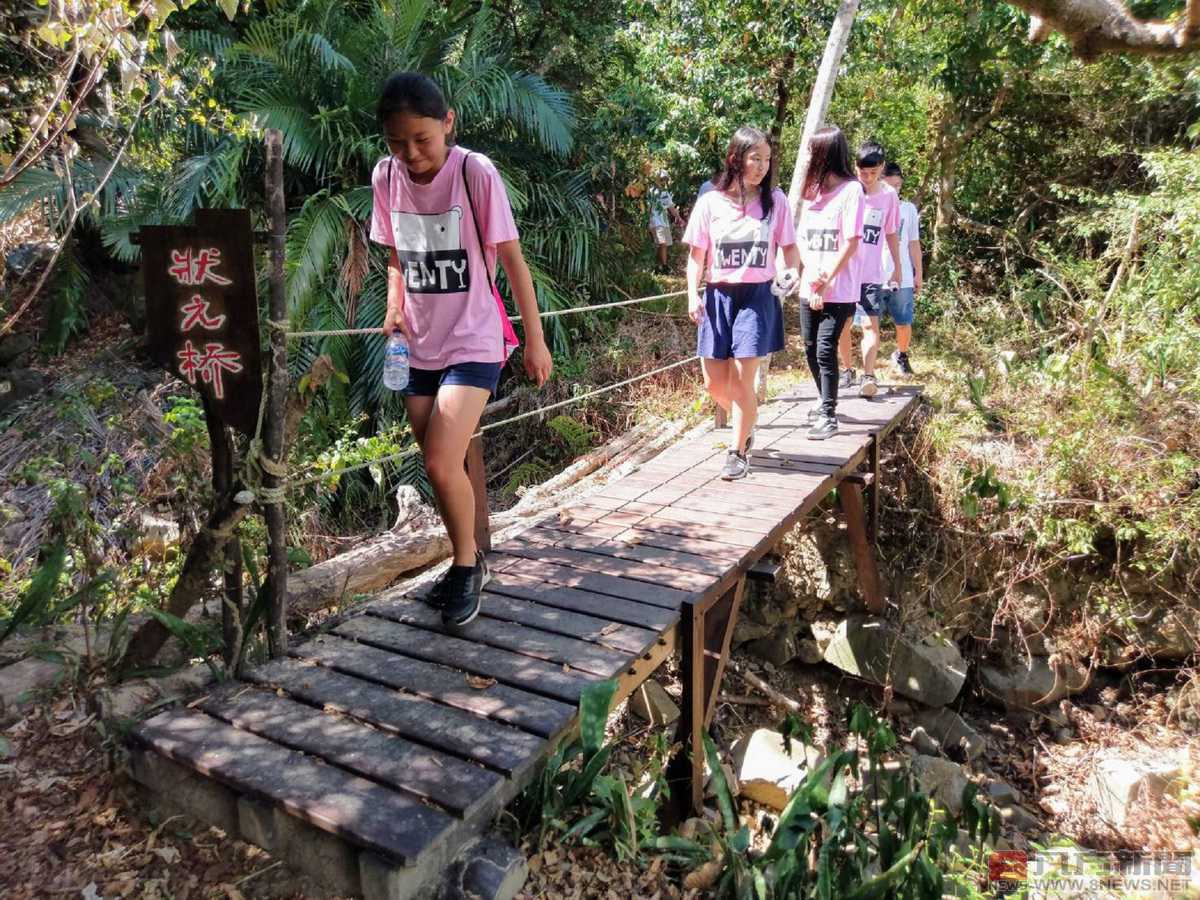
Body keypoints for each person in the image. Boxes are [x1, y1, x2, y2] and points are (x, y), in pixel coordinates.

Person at [370, 71, 552, 627]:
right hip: (418, 342)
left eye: (422, 139)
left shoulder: (474, 172)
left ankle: (468, 565)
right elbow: (397, 254)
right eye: (397, 142)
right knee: (440, 466)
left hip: (474, 336)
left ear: (447, 123)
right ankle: (464, 563)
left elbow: (513, 260)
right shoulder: (386, 177)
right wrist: (394, 305)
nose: (411, 153)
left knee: (439, 459)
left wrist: (536, 339)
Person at [683, 126, 800, 480]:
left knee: (742, 378)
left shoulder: (775, 201)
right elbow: (696, 255)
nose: (762, 166)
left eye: (766, 160)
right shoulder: (710, 202)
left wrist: (791, 273)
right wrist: (692, 293)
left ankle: (737, 451)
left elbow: (790, 249)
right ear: (736, 159)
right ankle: (747, 418)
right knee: (715, 384)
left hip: (757, 296)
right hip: (718, 295)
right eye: (755, 158)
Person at [795, 126, 865, 440]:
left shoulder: (852, 190)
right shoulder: (812, 191)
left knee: (825, 349)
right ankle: (824, 399)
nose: (810, 157)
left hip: (839, 287)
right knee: (810, 348)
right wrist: (809, 275)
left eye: (814, 150)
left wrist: (827, 279)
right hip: (810, 284)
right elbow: (801, 238)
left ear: (827, 153)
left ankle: (828, 414)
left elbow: (851, 241)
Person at [837, 142, 900, 398]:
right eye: (863, 172)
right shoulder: (847, 192)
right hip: (844, 272)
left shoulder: (888, 196)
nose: (868, 178)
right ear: (856, 168)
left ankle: (869, 374)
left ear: (882, 168)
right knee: (843, 325)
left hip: (871, 274)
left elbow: (891, 233)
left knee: (870, 326)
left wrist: (897, 267)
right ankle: (848, 369)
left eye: (873, 173)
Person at [880, 161, 923, 375]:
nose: (894, 191)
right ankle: (865, 366)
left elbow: (913, 243)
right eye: (889, 186)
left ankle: (902, 355)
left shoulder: (908, 210)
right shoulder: (870, 205)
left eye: (898, 186)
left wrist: (918, 274)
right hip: (875, 275)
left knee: (904, 322)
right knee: (867, 325)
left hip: (903, 275)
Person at [648, 171, 685, 274]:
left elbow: (671, 208)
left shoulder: (665, 193)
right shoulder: (651, 191)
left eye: (665, 179)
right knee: (661, 243)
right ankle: (660, 266)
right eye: (661, 179)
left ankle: (662, 267)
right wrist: (647, 221)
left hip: (664, 222)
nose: (663, 181)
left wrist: (679, 218)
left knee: (664, 245)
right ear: (656, 179)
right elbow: (648, 207)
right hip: (655, 222)